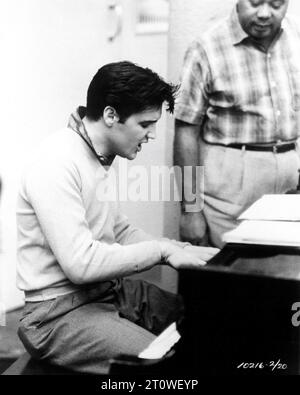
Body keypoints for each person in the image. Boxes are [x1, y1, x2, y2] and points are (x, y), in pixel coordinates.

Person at [16, 61, 218, 375]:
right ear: (111, 115)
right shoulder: (56, 163)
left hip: (106, 292)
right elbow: (80, 264)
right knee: (165, 365)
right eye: (145, 124)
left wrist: (174, 246)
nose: (152, 135)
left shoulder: (96, 154)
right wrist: (161, 252)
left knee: (206, 318)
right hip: (56, 315)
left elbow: (118, 229)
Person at [174, 0, 300, 248]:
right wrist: (190, 211)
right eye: (255, 2)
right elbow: (185, 131)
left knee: (282, 278)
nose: (264, 13)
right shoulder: (206, 48)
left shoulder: (296, 38)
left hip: (289, 189)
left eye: (276, 4)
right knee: (231, 278)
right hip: (227, 195)